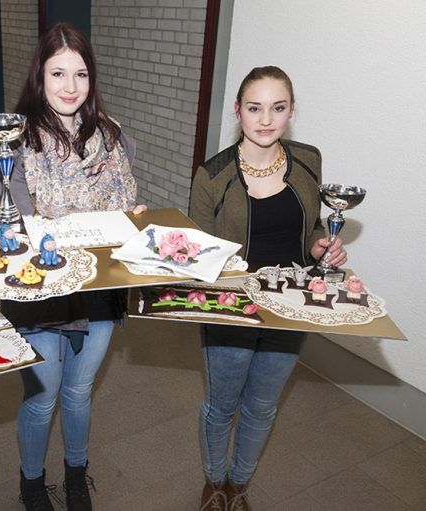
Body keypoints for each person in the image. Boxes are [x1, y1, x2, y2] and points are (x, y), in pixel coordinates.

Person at [0, 22, 145, 511]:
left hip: (98, 290)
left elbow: (126, 211)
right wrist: (99, 220)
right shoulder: (16, 143)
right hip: (41, 290)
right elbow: (20, 223)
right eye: (57, 73)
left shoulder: (112, 137)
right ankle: (32, 482)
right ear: (39, 77)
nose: (69, 86)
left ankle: (77, 473)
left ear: (91, 78)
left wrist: (128, 223)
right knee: (44, 397)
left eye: (80, 74)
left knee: (80, 393)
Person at [189, 66, 346, 511]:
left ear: (291, 111)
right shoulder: (212, 175)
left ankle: (238, 484)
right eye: (254, 108)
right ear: (238, 112)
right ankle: (214, 481)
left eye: (277, 108)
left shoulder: (309, 161)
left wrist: (322, 245)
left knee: (261, 406)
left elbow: (313, 225)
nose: (265, 119)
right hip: (231, 309)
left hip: (290, 305)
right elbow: (199, 254)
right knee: (222, 406)